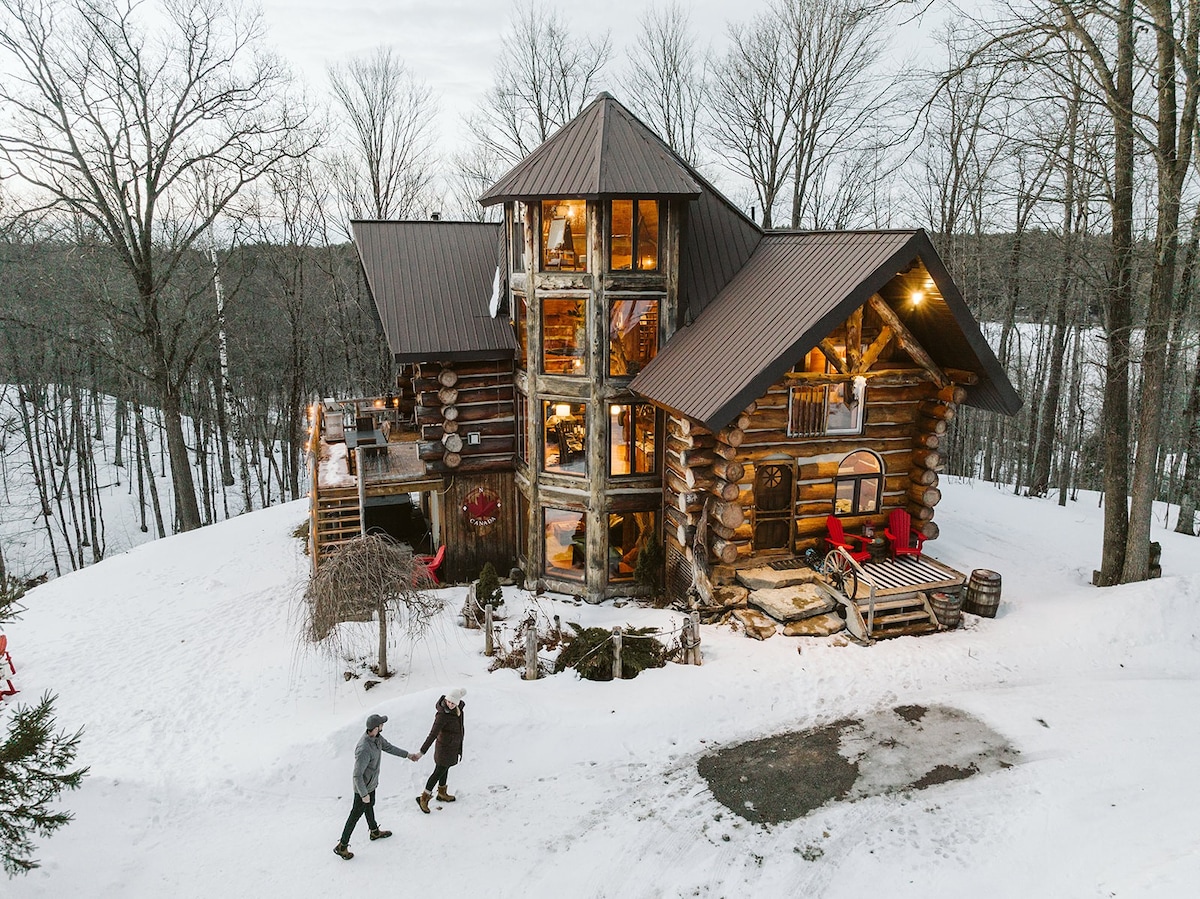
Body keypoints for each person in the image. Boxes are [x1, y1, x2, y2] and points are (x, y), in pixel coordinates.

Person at [334, 713, 417, 860]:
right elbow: (357, 775)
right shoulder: (364, 748)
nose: (383, 726)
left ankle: (374, 831)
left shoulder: (377, 739)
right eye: (381, 724)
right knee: (355, 815)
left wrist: (408, 755)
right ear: (376, 727)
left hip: (371, 784)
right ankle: (342, 846)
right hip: (362, 788)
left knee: (369, 806)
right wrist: (364, 794)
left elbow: (389, 748)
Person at [415, 688, 466, 813]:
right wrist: (422, 752)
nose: (450, 704)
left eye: (453, 703)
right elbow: (432, 734)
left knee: (446, 768)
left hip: (452, 747)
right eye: (448, 701)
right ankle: (424, 798)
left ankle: (442, 793)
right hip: (444, 749)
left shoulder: (459, 711)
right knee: (438, 771)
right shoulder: (442, 715)